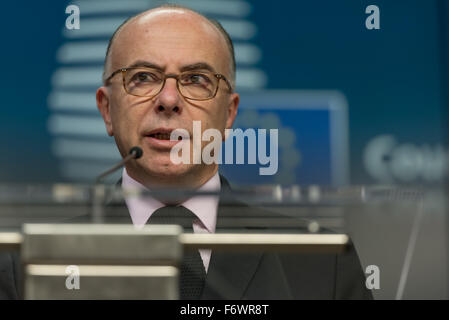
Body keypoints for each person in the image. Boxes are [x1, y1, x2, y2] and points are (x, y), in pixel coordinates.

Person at [0, 4, 372, 300]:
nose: (168, 100)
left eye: (196, 79)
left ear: (229, 113)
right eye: (142, 77)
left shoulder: (323, 263)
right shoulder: (29, 264)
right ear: (106, 109)